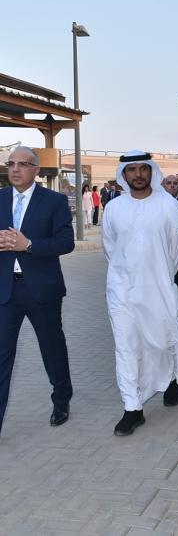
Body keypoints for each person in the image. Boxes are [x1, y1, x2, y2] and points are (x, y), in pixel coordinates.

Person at [102, 150, 178, 436]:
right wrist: (124, 277)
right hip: (122, 291)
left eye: (143, 169)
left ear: (152, 172)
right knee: (126, 347)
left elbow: (177, 251)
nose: (138, 174)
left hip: (160, 287)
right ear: (123, 175)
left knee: (164, 342)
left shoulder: (169, 206)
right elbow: (110, 247)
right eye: (132, 170)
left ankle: (173, 377)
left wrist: (161, 277)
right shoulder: (114, 208)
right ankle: (132, 407)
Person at [0, 145, 74, 434]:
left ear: (36, 170)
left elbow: (65, 242)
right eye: (11, 163)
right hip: (6, 292)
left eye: (23, 164)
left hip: (41, 291)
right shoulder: (0, 198)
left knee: (52, 349)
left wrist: (28, 245)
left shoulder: (53, 201)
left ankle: (62, 399)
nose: (15, 169)